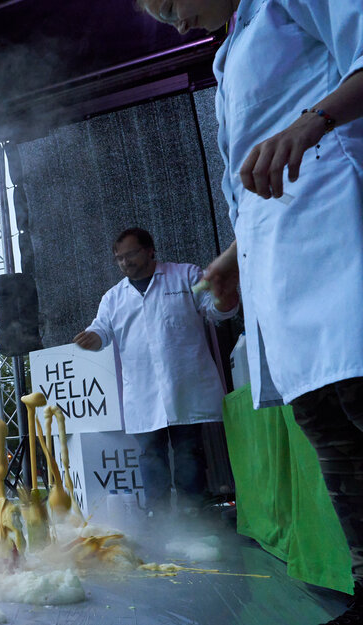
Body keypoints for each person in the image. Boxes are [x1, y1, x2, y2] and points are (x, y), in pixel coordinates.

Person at [139, 0, 363, 620]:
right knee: (325, 422)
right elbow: (250, 183)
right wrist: (235, 257)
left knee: (355, 391)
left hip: (339, 224)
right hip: (280, 258)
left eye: (171, 4)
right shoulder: (226, 53)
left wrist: (312, 122)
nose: (174, 22)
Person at [73, 227, 237, 515]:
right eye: (119, 258)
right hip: (144, 394)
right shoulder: (113, 297)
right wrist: (92, 339)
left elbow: (216, 309)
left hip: (185, 386)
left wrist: (224, 297)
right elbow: (101, 330)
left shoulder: (184, 275)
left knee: (189, 454)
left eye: (131, 254)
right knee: (150, 457)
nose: (125, 262)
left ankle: (193, 520)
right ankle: (158, 522)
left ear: (150, 250)